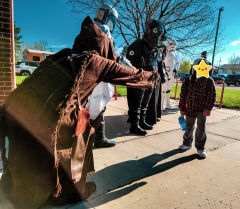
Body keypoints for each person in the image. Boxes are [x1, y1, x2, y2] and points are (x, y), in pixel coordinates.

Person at [0, 16, 159, 208]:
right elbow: (132, 76)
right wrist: (154, 76)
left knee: (27, 154)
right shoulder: (95, 61)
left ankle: (29, 189)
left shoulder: (64, 54)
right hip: (46, 120)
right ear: (102, 46)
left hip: (17, 110)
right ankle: (65, 191)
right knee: (80, 138)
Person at [86, 4, 135, 148]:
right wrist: (126, 65)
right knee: (99, 105)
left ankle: (88, 138)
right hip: (100, 74)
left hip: (88, 73)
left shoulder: (88, 27)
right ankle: (98, 139)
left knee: (88, 106)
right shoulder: (104, 29)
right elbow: (109, 54)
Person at [126, 19, 167, 135]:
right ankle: (134, 125)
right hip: (139, 78)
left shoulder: (157, 47)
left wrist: (161, 74)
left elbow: (159, 62)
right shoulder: (137, 45)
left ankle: (142, 121)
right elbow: (129, 64)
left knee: (145, 102)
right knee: (137, 102)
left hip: (151, 78)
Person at [178, 53, 216, 158]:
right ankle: (187, 143)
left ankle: (200, 147)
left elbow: (212, 96)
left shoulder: (209, 81)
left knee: (201, 128)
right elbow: (183, 96)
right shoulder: (187, 81)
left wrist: (208, 108)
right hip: (189, 109)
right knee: (189, 127)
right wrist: (182, 108)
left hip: (202, 110)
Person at [161, 38, 180, 110]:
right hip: (164, 73)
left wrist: (176, 69)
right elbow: (161, 62)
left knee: (169, 90)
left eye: (174, 44)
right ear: (168, 43)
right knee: (163, 90)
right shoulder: (164, 52)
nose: (172, 46)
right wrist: (164, 69)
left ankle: (167, 105)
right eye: (171, 44)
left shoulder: (175, 53)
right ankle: (161, 105)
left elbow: (178, 63)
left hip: (171, 73)